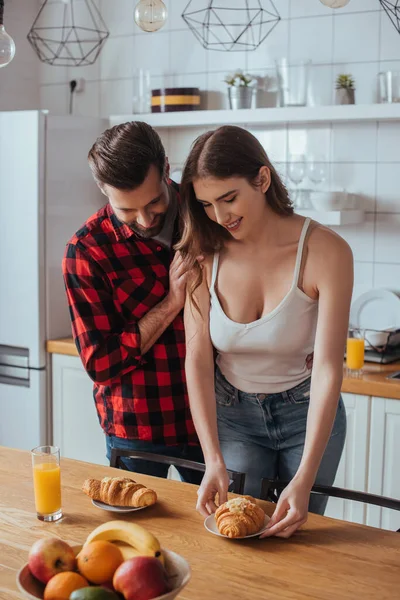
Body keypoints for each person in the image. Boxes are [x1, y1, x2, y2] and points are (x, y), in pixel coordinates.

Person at [177, 125, 353, 537]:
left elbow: (328, 367)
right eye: (206, 204)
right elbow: (198, 360)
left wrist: (306, 477)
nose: (220, 217)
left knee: (298, 537)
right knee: (239, 536)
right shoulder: (204, 254)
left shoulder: (326, 251)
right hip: (234, 417)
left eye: (229, 198)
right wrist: (212, 458)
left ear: (262, 179)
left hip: (305, 415)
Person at [62, 121, 203, 482]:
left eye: (154, 201)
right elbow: (100, 363)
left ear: (167, 167)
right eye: (127, 210)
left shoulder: (205, 214)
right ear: (102, 189)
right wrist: (171, 303)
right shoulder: (87, 251)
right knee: (138, 536)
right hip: (137, 429)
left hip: (216, 419)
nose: (144, 219)